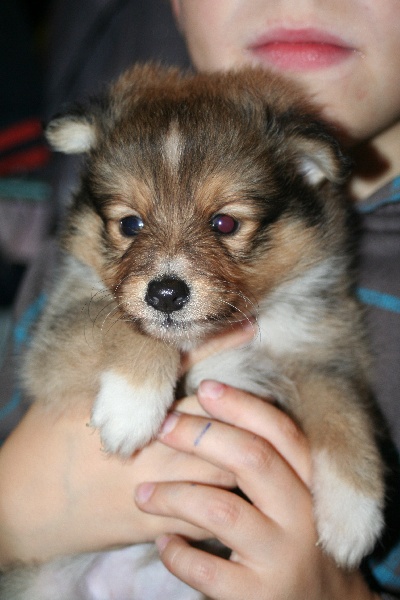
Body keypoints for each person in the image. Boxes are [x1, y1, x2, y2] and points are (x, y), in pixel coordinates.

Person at [0, 1, 400, 599]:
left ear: (309, 176)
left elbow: (326, 371)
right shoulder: (76, 256)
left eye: (224, 225)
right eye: (130, 225)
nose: (166, 275)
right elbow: (52, 357)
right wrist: (11, 513)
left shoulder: (323, 292)